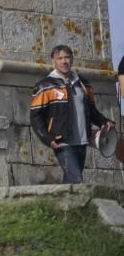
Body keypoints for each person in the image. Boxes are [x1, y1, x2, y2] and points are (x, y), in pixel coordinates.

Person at [30, 45, 115, 184]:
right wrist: (47, 138)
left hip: (82, 141)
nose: (64, 61)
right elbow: (35, 116)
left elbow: (92, 111)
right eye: (60, 58)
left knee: (70, 181)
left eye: (67, 57)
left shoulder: (83, 83)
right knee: (76, 179)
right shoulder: (45, 85)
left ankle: (64, 205)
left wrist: (104, 121)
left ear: (72, 60)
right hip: (62, 142)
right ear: (53, 61)